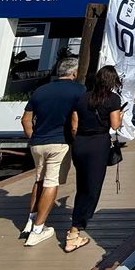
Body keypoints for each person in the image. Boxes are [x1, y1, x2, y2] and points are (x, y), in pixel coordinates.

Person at [20, 58, 84, 247]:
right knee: (51, 182)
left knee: (39, 179)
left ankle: (30, 221)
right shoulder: (78, 90)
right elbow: (76, 120)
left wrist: (32, 138)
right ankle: (38, 230)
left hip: (38, 142)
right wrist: (76, 139)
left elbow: (25, 120)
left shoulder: (41, 90)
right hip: (60, 142)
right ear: (74, 73)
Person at [64, 65, 123, 252]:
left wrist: (79, 140)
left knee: (82, 185)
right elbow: (114, 125)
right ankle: (75, 231)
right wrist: (120, 116)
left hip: (80, 143)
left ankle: (76, 224)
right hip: (99, 144)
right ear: (112, 81)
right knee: (92, 188)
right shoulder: (113, 99)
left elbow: (74, 126)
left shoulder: (82, 98)